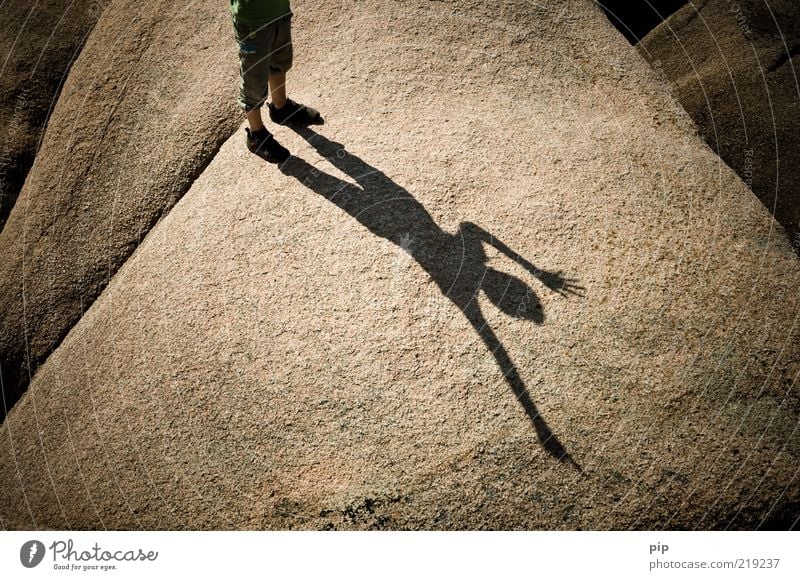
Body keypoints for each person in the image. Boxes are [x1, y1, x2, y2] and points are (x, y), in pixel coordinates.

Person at [230, 0, 324, 163]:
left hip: (279, 10)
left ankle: (281, 108)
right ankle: (256, 135)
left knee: (280, 62)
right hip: (253, 20)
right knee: (254, 79)